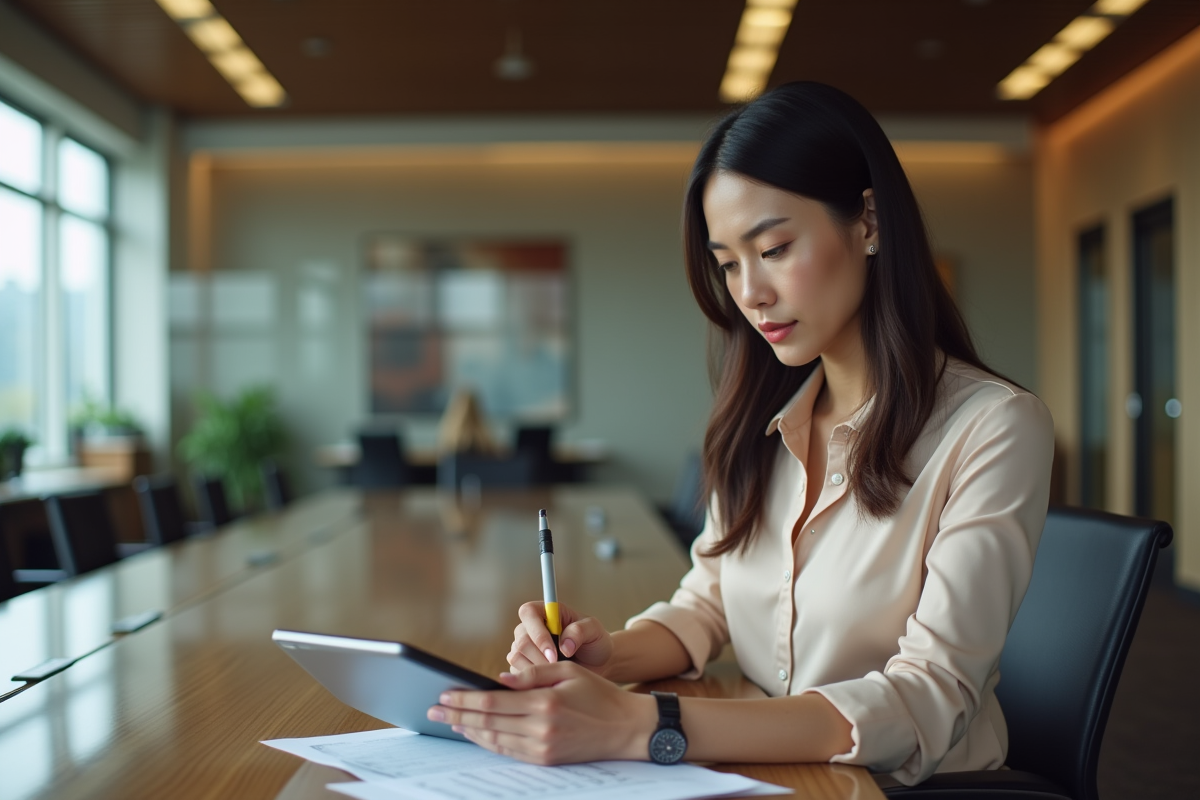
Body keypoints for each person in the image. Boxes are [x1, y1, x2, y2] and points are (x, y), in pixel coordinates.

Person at [426, 82, 1054, 786]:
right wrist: (603, 659)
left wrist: (648, 724)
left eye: (774, 248)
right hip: (768, 769)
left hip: (895, 787)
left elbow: (927, 699)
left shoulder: (993, 427)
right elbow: (710, 600)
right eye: (727, 263)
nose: (748, 292)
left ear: (870, 223)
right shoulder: (759, 422)